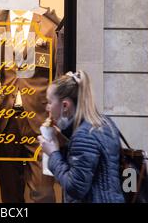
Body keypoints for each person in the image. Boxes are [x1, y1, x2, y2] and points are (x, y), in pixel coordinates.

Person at [38, 70, 125, 203]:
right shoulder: (104, 123)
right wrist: (63, 144)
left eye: (50, 102)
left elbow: (75, 188)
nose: (47, 108)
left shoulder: (84, 135)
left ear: (65, 105)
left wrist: (53, 153)